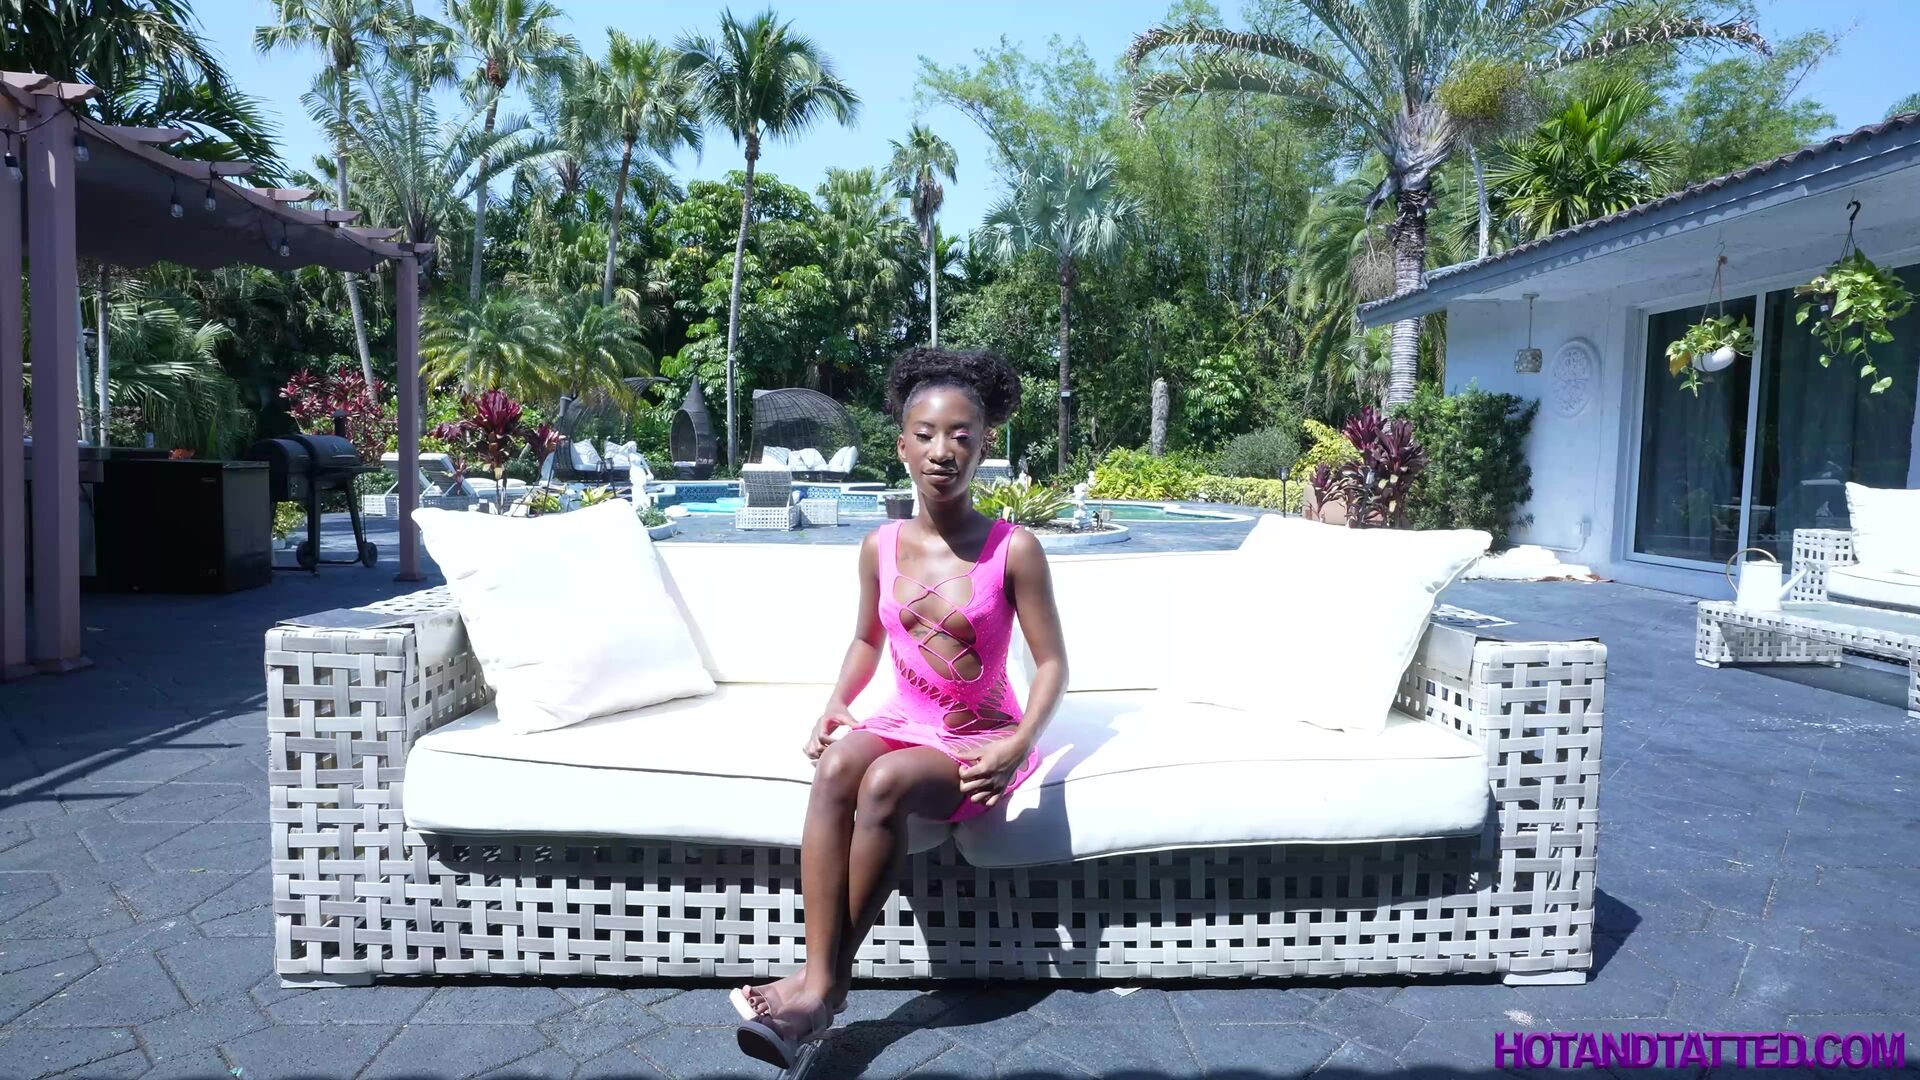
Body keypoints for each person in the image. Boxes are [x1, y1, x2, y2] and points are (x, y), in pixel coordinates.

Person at [729, 347, 1069, 1068]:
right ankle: (822, 980)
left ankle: (820, 990)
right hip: (901, 718)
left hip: (979, 736)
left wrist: (1017, 744)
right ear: (902, 446)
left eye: (961, 435)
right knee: (838, 765)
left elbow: (1052, 665)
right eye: (926, 434)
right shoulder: (878, 545)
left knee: (883, 782)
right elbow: (865, 639)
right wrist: (836, 701)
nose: (943, 450)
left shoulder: (1014, 549)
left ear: (984, 446)